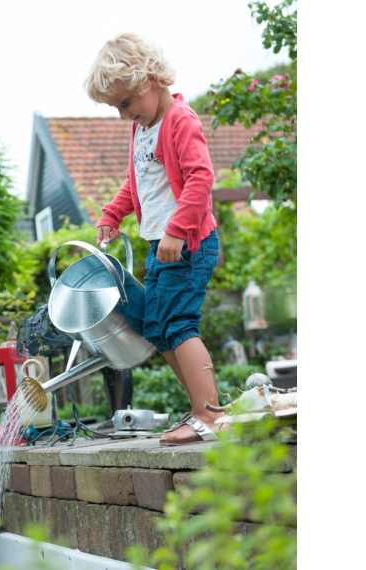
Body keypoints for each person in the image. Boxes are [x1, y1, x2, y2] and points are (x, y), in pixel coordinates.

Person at [84, 33, 225, 445]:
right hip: (160, 246)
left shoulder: (180, 121)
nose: (123, 115)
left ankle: (209, 414)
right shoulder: (141, 128)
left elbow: (201, 178)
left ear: (148, 79)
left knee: (179, 324)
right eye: (117, 107)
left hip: (188, 243)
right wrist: (113, 213)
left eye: (125, 103)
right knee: (158, 328)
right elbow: (138, 183)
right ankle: (201, 409)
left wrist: (177, 230)